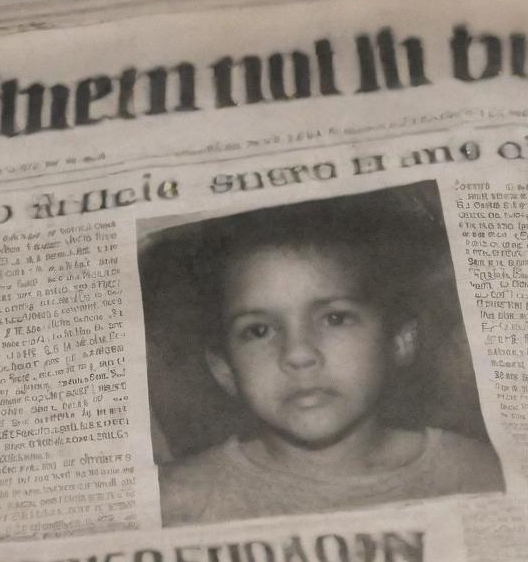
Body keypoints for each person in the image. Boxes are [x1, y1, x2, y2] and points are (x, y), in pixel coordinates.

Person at [152, 194, 505, 525]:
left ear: (399, 340)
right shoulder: (179, 501)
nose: (299, 354)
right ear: (225, 370)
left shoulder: (480, 474)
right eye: (259, 330)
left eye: (335, 319)